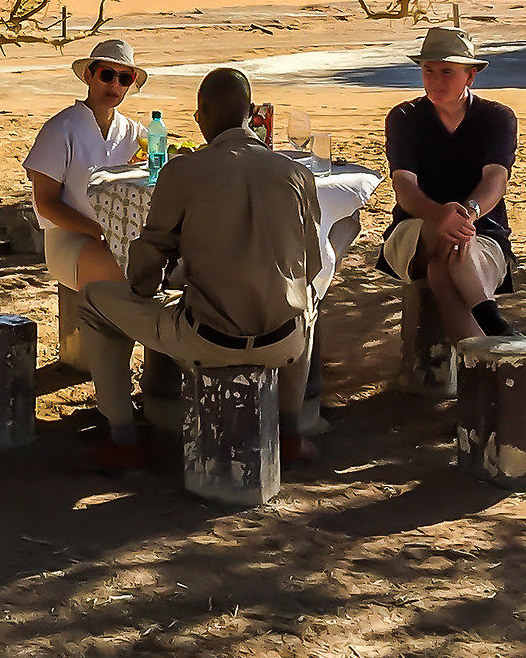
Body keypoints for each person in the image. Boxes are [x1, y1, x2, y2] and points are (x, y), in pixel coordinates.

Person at [76, 66, 323, 470]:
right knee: (307, 301)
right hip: (284, 345)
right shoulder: (296, 174)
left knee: (92, 301)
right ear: (252, 114)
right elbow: (311, 265)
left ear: (200, 116)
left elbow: (146, 268)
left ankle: (122, 437)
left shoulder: (182, 171)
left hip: (209, 343)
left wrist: (154, 290)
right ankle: (292, 432)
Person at [380, 25, 523, 345]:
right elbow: (404, 185)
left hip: (482, 234)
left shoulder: (496, 118)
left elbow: (496, 178)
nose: (435, 81)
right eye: (428, 71)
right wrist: (439, 215)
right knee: (442, 235)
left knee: (442, 268)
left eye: (447, 72)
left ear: (470, 76)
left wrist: (468, 214)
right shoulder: (405, 117)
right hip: (415, 233)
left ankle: (478, 356)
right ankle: (493, 325)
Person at [22, 37, 146, 294]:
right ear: (89, 75)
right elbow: (46, 203)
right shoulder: (60, 129)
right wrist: (98, 231)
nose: (115, 84)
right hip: (71, 239)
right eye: (107, 74)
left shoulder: (135, 133)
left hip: (123, 240)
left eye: (124, 78)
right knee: (132, 276)